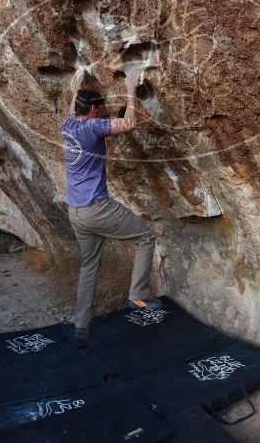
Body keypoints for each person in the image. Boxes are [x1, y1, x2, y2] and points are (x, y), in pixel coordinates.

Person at [62, 69, 160, 339]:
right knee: (145, 237)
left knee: (89, 264)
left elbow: (73, 109)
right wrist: (131, 89)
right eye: (101, 109)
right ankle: (138, 297)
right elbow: (128, 124)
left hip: (76, 212)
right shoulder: (93, 127)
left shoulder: (68, 126)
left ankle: (81, 325)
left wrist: (77, 88)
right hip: (96, 209)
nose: (104, 112)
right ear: (93, 110)